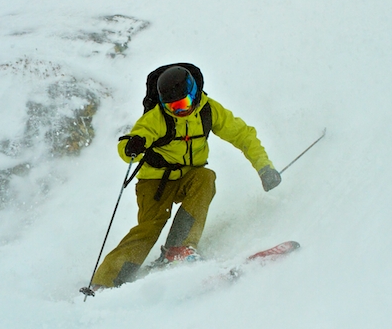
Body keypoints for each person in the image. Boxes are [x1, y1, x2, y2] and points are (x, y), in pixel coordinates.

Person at [89, 63, 281, 289]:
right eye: (173, 107)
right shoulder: (157, 118)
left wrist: (264, 167)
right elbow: (129, 144)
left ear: (194, 94)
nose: (180, 111)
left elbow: (243, 135)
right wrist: (133, 146)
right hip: (155, 182)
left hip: (189, 176)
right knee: (149, 227)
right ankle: (104, 282)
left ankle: (177, 249)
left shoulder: (209, 110)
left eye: (183, 104)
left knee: (205, 178)